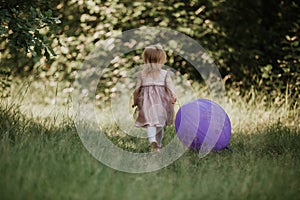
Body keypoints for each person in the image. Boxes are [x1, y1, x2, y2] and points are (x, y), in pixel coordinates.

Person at [132, 44, 177, 152]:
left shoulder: (142, 74)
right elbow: (170, 86)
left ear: (145, 60)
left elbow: (136, 90)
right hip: (162, 101)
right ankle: (159, 145)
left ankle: (153, 140)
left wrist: (135, 101)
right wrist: (173, 95)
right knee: (159, 123)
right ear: (161, 60)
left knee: (150, 122)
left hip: (146, 101)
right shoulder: (165, 74)